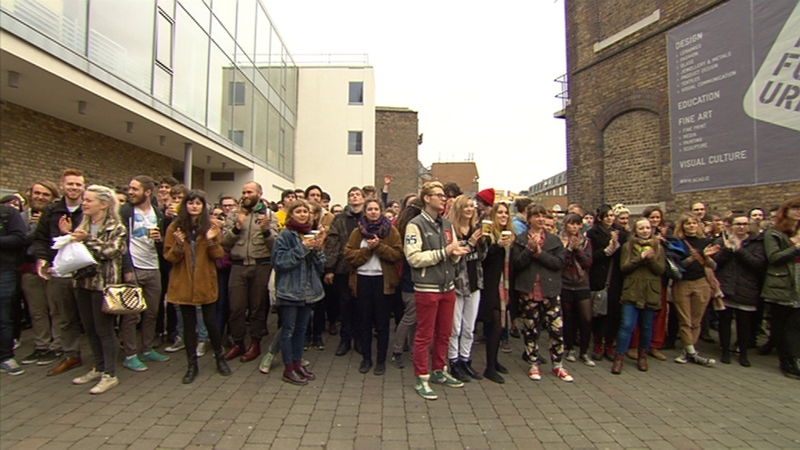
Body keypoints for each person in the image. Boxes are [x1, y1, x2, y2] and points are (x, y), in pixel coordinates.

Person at [404, 182, 469, 400]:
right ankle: (421, 376)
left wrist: (456, 253)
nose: (443, 199)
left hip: (448, 287)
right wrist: (445, 252)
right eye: (439, 195)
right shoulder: (415, 225)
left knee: (445, 332)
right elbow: (413, 258)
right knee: (424, 335)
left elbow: (451, 252)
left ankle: (439, 370)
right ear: (426, 198)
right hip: (427, 288)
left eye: (444, 196)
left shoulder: (448, 224)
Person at [163, 190, 232, 383]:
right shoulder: (175, 227)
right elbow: (169, 257)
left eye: (198, 203)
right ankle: (192, 364)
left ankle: (219, 358)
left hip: (205, 281)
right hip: (183, 282)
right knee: (189, 324)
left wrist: (210, 239)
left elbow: (218, 255)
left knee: (211, 322)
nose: (194, 206)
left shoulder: (210, 226)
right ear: (185, 205)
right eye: (191, 203)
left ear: (203, 206)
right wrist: (178, 245)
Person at [69, 185, 127, 394]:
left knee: (104, 330)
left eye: (88, 200)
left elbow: (110, 251)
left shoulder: (117, 228)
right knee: (90, 328)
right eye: (84, 199)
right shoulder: (82, 224)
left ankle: (110, 374)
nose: (84, 203)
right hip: (82, 283)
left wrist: (86, 239)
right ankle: (98, 366)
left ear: (103, 204)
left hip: (103, 286)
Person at [30, 169, 86, 376]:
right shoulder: (52, 210)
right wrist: (42, 259)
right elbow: (41, 238)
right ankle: (71, 354)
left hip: (84, 272)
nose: (74, 188)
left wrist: (69, 234)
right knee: (63, 317)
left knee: (90, 318)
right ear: (62, 186)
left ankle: (97, 359)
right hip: (59, 271)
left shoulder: (88, 209)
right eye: (70, 184)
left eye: (78, 184)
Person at [512, 204, 572, 382]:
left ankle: (558, 365)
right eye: (536, 216)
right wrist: (529, 250)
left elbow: (559, 263)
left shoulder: (554, 241)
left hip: (550, 290)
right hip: (529, 290)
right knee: (530, 329)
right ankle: (533, 363)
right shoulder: (520, 240)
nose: (540, 219)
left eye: (542, 216)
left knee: (556, 329)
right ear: (529, 218)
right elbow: (517, 264)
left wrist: (539, 253)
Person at [344, 199, 403, 376]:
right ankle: (366, 359)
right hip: (362, 280)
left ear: (381, 211)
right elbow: (348, 254)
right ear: (365, 211)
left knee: (382, 324)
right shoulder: (357, 232)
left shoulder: (391, 231)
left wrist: (378, 247)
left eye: (376, 209)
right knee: (364, 322)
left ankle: (380, 361)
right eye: (369, 209)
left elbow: (397, 254)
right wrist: (367, 251)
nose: (373, 212)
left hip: (383, 281)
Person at [271, 199, 326, 385]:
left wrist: (318, 250)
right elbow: (279, 262)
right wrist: (303, 248)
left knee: (301, 330)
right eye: (298, 211)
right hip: (290, 290)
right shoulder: (285, 235)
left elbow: (320, 266)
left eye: (305, 211)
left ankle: (297, 363)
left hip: (308, 291)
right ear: (291, 214)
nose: (303, 214)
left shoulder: (311, 233)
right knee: (288, 330)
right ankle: (288, 369)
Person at [119, 176, 170, 372]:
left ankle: (147, 349)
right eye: (130, 188)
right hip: (133, 268)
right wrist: (126, 269)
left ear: (147, 192)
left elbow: (163, 243)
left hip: (153, 268)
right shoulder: (125, 211)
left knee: (152, 312)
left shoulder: (157, 213)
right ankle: (130, 354)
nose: (130, 192)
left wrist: (159, 239)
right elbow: (120, 242)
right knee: (131, 314)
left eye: (134, 189)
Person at [221, 182, 276, 363]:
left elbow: (274, 245)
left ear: (259, 193)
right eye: (243, 192)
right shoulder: (234, 214)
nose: (245, 195)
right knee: (236, 307)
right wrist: (237, 226)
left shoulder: (269, 215)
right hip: (238, 265)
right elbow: (225, 242)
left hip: (261, 265)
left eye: (249, 192)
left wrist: (266, 231)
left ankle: (255, 342)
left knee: (257, 307)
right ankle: (238, 343)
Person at [611, 218, 665, 374]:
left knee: (647, 326)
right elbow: (624, 268)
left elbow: (660, 270)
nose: (645, 231)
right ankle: (619, 357)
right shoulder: (628, 247)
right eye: (641, 228)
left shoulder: (658, 247)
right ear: (636, 230)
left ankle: (643, 356)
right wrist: (640, 258)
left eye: (647, 228)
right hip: (632, 290)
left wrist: (651, 259)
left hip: (650, 291)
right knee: (627, 325)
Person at [712, 213, 766, 367]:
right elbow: (715, 264)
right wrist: (728, 250)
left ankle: (743, 353)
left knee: (744, 323)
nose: (741, 227)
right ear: (732, 225)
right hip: (726, 286)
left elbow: (757, 264)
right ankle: (725, 351)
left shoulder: (756, 243)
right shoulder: (722, 241)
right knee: (725, 321)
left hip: (746, 287)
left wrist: (739, 250)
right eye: (738, 224)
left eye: (744, 224)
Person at [19, 181, 61, 366]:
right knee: (37, 311)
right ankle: (41, 345)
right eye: (37, 193)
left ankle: (58, 346)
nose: (40, 197)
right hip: (29, 268)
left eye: (45, 195)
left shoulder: (57, 216)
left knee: (56, 310)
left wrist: (40, 227)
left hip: (52, 267)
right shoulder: (21, 217)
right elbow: (17, 240)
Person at [445, 195, 487, 382]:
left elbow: (482, 257)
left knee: (469, 328)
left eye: (472, 206)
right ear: (459, 209)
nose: (470, 210)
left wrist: (482, 242)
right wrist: (469, 244)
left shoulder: (477, 229)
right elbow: (451, 260)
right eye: (466, 207)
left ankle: (465, 360)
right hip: (457, 284)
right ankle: (453, 362)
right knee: (455, 327)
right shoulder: (450, 231)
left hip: (474, 282)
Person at [672, 213, 719, 366]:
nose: (691, 226)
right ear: (682, 226)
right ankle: (693, 353)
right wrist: (692, 258)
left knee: (696, 320)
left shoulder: (706, 242)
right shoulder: (678, 242)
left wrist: (707, 257)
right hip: (683, 283)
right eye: (688, 223)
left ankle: (688, 351)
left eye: (694, 223)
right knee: (685, 319)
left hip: (701, 282)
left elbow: (713, 266)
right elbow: (677, 266)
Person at [761, 198, 800, 379]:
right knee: (781, 324)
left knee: (794, 325)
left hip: (798, 282)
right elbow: (774, 257)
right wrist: (796, 247)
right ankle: (787, 361)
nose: (798, 212)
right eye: (795, 208)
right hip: (781, 283)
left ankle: (794, 359)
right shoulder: (774, 233)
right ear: (786, 211)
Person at [324, 187, 365, 357]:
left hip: (364, 269)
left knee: (362, 306)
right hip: (343, 268)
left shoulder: (368, 216)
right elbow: (333, 243)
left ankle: (360, 340)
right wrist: (329, 268)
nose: (354, 197)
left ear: (364, 198)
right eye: (351, 195)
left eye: (357, 194)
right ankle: (345, 340)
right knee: (345, 305)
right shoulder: (339, 219)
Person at [479, 202, 515, 383]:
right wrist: (497, 246)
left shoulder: (510, 236)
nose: (503, 216)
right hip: (491, 287)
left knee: (500, 325)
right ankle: (489, 368)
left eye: (506, 213)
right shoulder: (488, 235)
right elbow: (482, 259)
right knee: (494, 326)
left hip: (505, 286)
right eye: (499, 212)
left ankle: (494, 361)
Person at [586, 205, 623, 361]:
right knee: (599, 311)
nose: (610, 218)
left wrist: (617, 246)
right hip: (599, 277)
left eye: (611, 215)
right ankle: (597, 343)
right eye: (606, 216)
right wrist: (607, 250)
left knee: (613, 312)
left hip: (615, 277)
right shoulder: (593, 233)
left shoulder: (619, 233)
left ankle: (609, 344)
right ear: (600, 217)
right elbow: (591, 256)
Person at [390, 198, 423, 369]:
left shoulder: (400, 226)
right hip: (411, 279)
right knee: (410, 317)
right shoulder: (413, 229)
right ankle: (397, 350)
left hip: (406, 277)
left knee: (413, 317)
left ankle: (412, 349)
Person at [560, 213, 594, 367]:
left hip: (581, 284)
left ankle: (585, 352)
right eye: (571, 224)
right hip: (565, 283)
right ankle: (570, 348)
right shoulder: (559, 240)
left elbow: (588, 263)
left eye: (577, 224)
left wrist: (577, 250)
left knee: (586, 318)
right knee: (568, 318)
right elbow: (560, 263)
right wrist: (568, 250)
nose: (574, 227)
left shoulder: (586, 242)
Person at [0, 205, 27, 375]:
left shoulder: (7, 213)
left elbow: (19, 238)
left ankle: (6, 356)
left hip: (3, 271)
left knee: (4, 316)